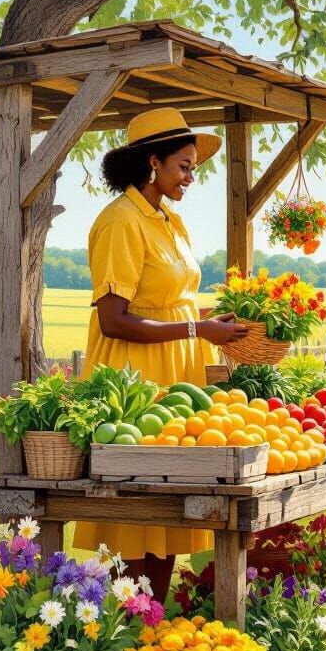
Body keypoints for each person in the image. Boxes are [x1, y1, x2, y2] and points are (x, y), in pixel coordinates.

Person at [72, 108, 248, 599]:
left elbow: (175, 299)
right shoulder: (120, 221)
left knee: (169, 517)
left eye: (194, 168)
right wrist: (198, 327)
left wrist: (226, 317)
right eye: (184, 166)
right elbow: (114, 318)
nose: (191, 177)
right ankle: (114, 640)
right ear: (154, 162)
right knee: (136, 518)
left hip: (176, 371)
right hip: (135, 377)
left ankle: (149, 637)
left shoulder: (170, 220)